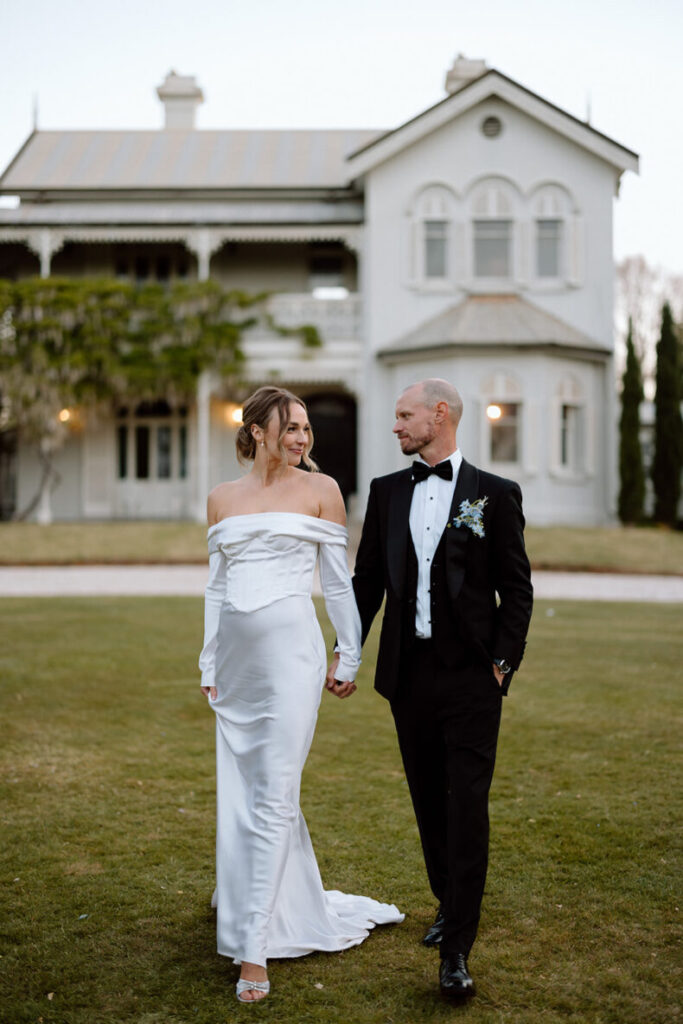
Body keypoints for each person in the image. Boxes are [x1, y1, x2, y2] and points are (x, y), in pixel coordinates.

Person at [327, 378, 533, 1000]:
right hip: (408, 677)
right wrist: (346, 652)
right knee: (429, 801)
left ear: (439, 415)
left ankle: (457, 951)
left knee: (467, 804)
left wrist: (501, 663)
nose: (395, 426)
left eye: (403, 415)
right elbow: (366, 582)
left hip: (472, 678)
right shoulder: (386, 492)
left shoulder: (495, 494)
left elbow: (515, 588)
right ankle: (448, 900)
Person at [199, 385, 403, 1004]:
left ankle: (253, 950)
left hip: (292, 660)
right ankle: (244, 893)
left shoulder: (322, 491)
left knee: (275, 793)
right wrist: (208, 658)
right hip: (236, 667)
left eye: (306, 429)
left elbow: (338, 584)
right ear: (257, 431)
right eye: (291, 427)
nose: (303, 437)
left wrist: (350, 652)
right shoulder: (221, 498)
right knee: (244, 787)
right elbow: (216, 586)